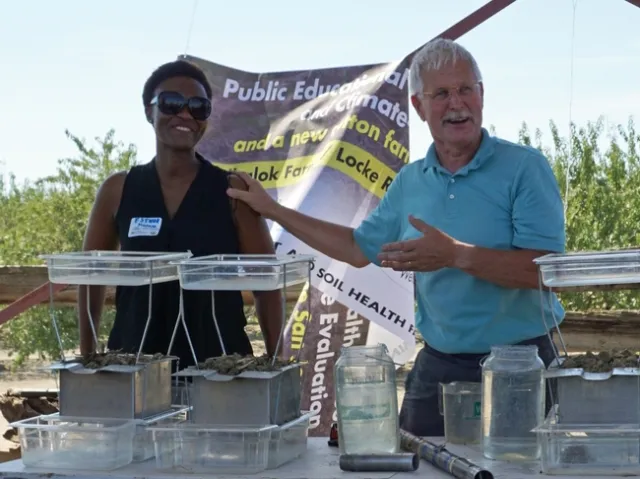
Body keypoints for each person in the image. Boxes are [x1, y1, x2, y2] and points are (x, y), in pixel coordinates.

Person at [226, 39, 566, 436]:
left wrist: (454, 255)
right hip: (441, 362)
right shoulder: (411, 181)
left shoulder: (524, 168)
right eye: (441, 93)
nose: (457, 103)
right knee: (415, 465)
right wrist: (274, 211)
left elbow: (545, 271)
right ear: (419, 107)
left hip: (521, 361)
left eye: (465, 89)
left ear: (482, 95)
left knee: (522, 468)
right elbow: (356, 248)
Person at [78, 60, 283, 369]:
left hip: (220, 371)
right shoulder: (118, 190)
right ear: (150, 111)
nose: (185, 114)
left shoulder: (233, 191)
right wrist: (88, 357)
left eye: (199, 107)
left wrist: (276, 362)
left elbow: (266, 283)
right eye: (172, 103)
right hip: (134, 367)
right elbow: (90, 276)